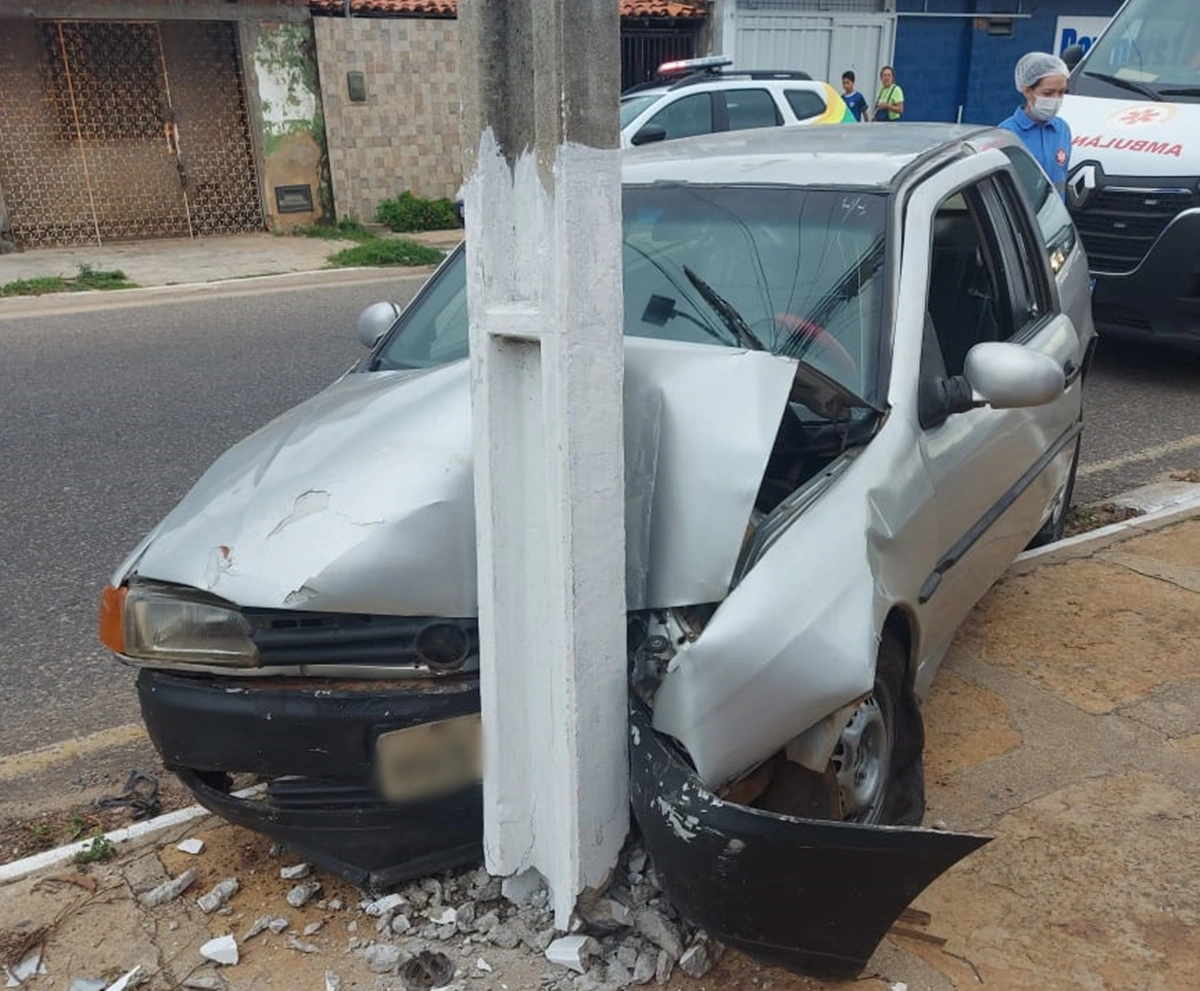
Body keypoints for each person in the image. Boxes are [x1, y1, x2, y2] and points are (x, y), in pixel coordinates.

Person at [998, 52, 1072, 198]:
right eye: (1048, 93)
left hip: (1053, 217)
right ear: (1027, 91)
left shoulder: (1062, 129)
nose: (1056, 99)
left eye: (1061, 92)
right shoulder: (1007, 133)